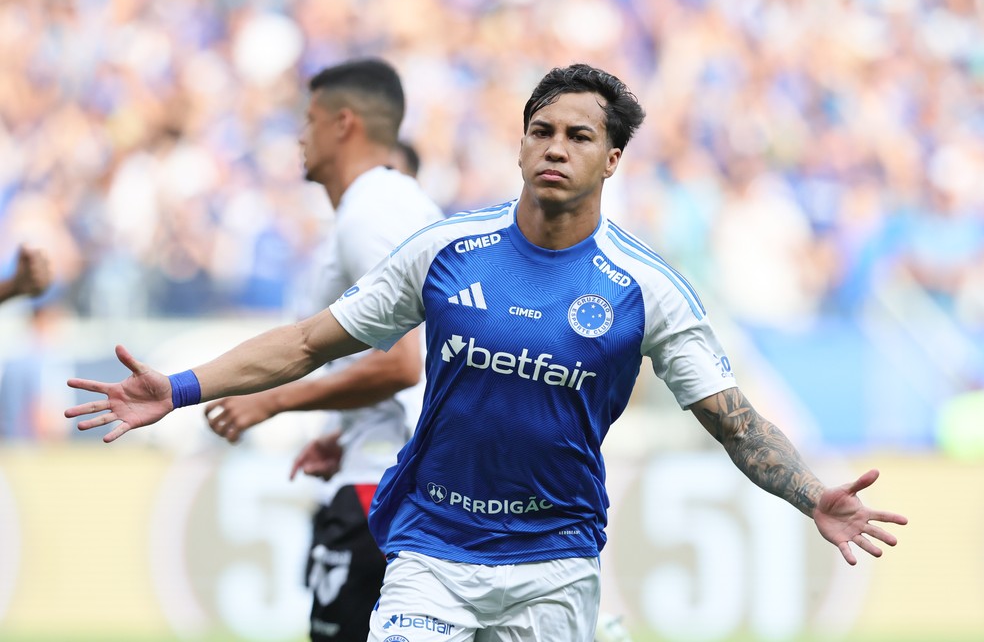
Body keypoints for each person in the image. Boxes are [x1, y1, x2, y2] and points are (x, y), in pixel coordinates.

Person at [66, 64, 907, 642]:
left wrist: (810, 496)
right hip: (430, 549)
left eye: (579, 136)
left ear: (612, 159)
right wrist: (175, 388)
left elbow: (735, 421)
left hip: (554, 561)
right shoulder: (447, 251)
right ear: (518, 145)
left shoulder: (644, 287)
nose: (555, 146)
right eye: (541, 130)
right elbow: (306, 342)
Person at [205, 59, 442, 642]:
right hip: (394, 472)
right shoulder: (396, 206)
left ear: (344, 124)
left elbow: (402, 362)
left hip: (381, 490)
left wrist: (275, 401)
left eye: (309, 120)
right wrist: (347, 430)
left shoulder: (371, 212)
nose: (300, 137)